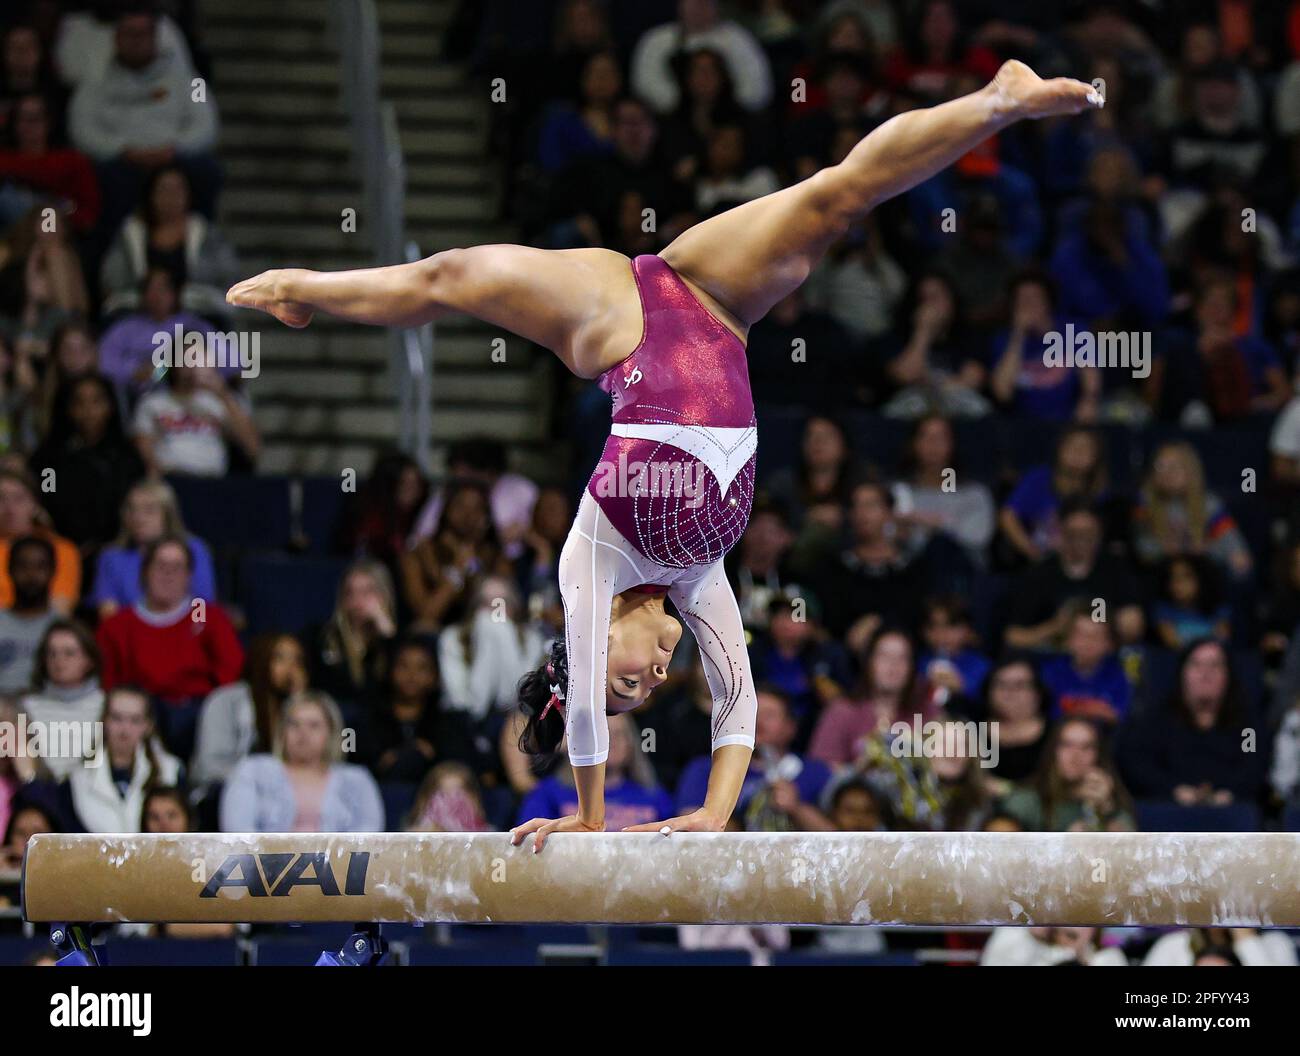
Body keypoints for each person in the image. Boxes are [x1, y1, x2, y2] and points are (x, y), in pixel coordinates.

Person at [228, 59, 1103, 846]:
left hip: (615, 321)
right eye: (644, 694)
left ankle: (308, 287)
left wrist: (594, 813)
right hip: (716, 307)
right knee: (838, 199)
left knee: (452, 276)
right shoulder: (701, 573)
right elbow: (738, 705)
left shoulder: (588, 563)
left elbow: (584, 724)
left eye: (625, 684)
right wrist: (718, 812)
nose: (651, 677)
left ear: (588, 653)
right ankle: (999, 104)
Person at [95, 536, 243, 758]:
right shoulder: (120, 623)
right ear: (145, 571)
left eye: (177, 567)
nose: (168, 574)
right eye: (161, 566)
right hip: (139, 715)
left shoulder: (200, 612)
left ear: (189, 575)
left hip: (196, 715)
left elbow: (230, 666)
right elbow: (106, 680)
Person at [1118, 638, 1266, 807]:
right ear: (1182, 673)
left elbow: (1254, 763)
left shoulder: (1247, 727)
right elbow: (1137, 762)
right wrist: (1173, 789)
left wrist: (1230, 792)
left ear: (1228, 675)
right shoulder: (1156, 720)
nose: (1206, 674)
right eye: (1196, 665)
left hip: (1231, 815)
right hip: (1169, 813)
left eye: (1215, 665)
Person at [219, 690, 384, 833]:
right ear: (282, 732)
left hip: (340, 869)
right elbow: (238, 834)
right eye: (294, 724)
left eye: (314, 725)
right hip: (264, 868)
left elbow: (370, 837)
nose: (303, 733)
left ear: (331, 733)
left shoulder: (357, 779)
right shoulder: (252, 771)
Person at [28, 373, 146, 552]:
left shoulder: (126, 456)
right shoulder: (49, 458)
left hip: (116, 546)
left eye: (97, 401)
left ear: (111, 406)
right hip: (61, 546)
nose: (88, 410)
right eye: (78, 402)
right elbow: (47, 493)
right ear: (66, 408)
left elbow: (131, 501)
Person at [189, 632, 309, 796]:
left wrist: (299, 700)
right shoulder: (225, 701)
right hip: (226, 793)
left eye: (298, 661)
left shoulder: (298, 707)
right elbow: (209, 767)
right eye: (280, 658)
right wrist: (259, 780)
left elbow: (313, 763)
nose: (291, 668)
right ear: (261, 659)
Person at [90, 479, 217, 619]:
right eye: (131, 509)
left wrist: (193, 634)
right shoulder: (111, 557)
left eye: (149, 510)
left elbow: (202, 604)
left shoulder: (193, 549)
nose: (138, 518)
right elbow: (109, 616)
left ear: (167, 515)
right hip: (132, 637)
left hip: (186, 636)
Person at [68, 686, 181, 833]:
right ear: (104, 721)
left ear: (148, 725)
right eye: (117, 718)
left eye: (135, 720)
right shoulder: (78, 778)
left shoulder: (171, 771)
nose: (124, 730)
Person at [999, 717, 1135, 831]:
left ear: (1098, 755)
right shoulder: (1024, 802)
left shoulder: (1110, 802)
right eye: (1066, 745)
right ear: (1052, 752)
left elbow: (1132, 854)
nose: (1076, 755)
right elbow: (999, 850)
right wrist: (1064, 845)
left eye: (1086, 747)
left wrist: (1106, 810)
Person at [18, 619, 105, 781]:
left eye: (69, 653)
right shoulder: (25, 707)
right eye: (52, 653)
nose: (59, 661)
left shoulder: (108, 706)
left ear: (90, 660)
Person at [0, 468, 79, 613]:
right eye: (1, 498)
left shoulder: (60, 549)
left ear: (35, 505)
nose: (9, 508)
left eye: (19, 498)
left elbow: (60, 609)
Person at [0, 535, 56, 693]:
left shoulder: (63, 628)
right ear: (9, 569)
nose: (31, 574)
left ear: (53, 570)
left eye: (40, 566)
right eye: (23, 566)